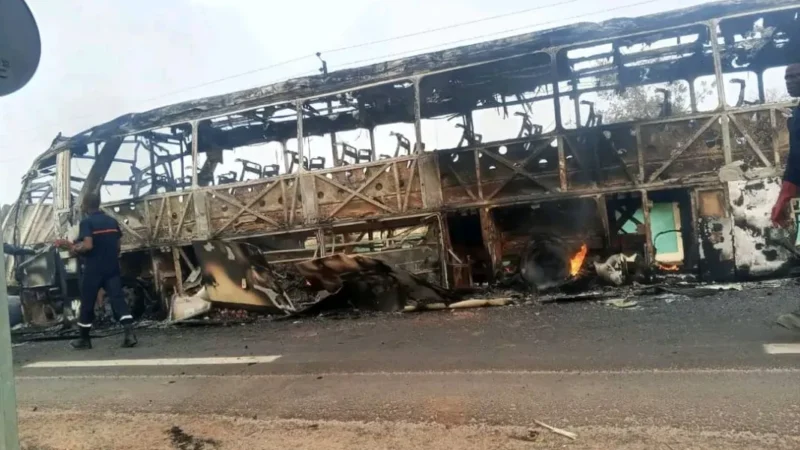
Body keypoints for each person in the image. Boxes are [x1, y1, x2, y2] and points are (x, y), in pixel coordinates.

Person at [66, 192, 137, 349]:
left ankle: (84, 339)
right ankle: (129, 334)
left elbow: (88, 245)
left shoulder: (87, 223)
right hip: (112, 267)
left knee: (87, 303)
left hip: (93, 269)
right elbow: (118, 246)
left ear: (85, 205)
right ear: (98, 203)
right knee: (118, 299)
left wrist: (76, 248)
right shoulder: (112, 221)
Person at [771, 63, 800, 331]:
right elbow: (795, 159)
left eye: (795, 76)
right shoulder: (797, 116)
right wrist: (786, 193)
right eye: (787, 77)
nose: (790, 81)